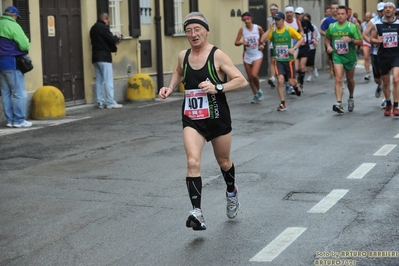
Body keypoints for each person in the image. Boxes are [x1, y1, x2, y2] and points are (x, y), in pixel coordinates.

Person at [158, 12, 248, 230]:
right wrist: (170, 87)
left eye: (197, 29)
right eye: (189, 30)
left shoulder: (217, 56)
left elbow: (241, 80)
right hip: (192, 118)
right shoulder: (183, 55)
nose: (193, 34)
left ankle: (231, 191)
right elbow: (179, 71)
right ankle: (197, 212)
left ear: (206, 31)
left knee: (224, 162)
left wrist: (218, 87)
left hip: (217, 117)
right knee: (192, 162)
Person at [261, 11, 303, 111]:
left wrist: (294, 48)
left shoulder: (289, 30)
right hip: (278, 60)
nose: (276, 22)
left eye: (278, 20)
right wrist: (270, 28)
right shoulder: (273, 31)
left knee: (291, 82)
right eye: (275, 20)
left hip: (289, 60)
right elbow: (262, 39)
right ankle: (283, 103)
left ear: (283, 20)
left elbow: (301, 38)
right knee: (280, 80)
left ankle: (296, 86)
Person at [325, 5, 362, 114]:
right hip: (337, 56)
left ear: (346, 15)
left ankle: (351, 97)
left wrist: (350, 40)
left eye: (342, 14)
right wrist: (328, 46)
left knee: (350, 80)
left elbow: (360, 42)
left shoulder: (352, 27)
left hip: (349, 57)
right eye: (338, 14)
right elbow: (327, 38)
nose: (340, 16)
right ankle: (339, 103)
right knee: (338, 79)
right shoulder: (332, 27)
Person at [0, 6, 32, 128]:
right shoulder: (13, 25)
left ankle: (9, 120)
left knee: (6, 93)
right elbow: (24, 44)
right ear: (14, 16)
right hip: (12, 62)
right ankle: (18, 120)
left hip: (1, 63)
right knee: (19, 92)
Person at [370, 2, 399, 116]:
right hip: (383, 56)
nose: (387, 9)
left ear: (394, 10)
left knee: (396, 80)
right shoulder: (377, 24)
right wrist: (377, 41)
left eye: (390, 8)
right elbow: (371, 39)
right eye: (385, 8)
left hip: (396, 55)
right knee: (386, 83)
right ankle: (388, 103)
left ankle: (396, 105)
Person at [90, 13, 123, 109]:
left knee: (99, 80)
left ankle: (100, 102)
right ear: (105, 19)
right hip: (104, 57)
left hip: (95, 57)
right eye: (108, 20)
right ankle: (110, 102)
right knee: (108, 80)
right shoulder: (103, 28)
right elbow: (111, 39)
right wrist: (117, 37)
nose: (109, 22)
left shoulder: (93, 29)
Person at [234, 12, 265, 103]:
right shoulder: (242, 30)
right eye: (244, 20)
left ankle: (259, 90)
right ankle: (255, 95)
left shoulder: (257, 28)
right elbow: (236, 42)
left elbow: (264, 37)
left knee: (254, 74)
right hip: (247, 55)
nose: (246, 21)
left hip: (257, 54)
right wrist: (242, 43)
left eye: (248, 19)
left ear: (251, 19)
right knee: (250, 78)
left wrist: (262, 44)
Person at [363, 2, 386, 108]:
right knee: (377, 78)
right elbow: (364, 35)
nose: (382, 12)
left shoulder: (392, 20)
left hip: (388, 53)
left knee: (385, 76)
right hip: (376, 52)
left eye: (384, 10)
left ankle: (385, 99)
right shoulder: (373, 21)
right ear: (377, 12)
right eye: (380, 11)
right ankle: (379, 85)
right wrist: (373, 41)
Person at [294, 7, 315, 90]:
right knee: (296, 68)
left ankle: (301, 83)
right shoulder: (293, 23)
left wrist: (314, 38)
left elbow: (312, 30)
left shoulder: (306, 22)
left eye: (299, 14)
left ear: (303, 14)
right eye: (296, 14)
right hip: (295, 47)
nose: (298, 15)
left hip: (304, 47)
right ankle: (293, 82)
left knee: (302, 67)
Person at [321, 2, 339, 78]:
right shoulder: (327, 20)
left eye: (336, 8)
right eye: (333, 8)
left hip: (343, 46)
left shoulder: (342, 19)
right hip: (332, 46)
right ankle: (338, 79)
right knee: (336, 63)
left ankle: (340, 77)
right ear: (331, 10)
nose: (335, 10)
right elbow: (321, 30)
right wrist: (328, 35)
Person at [304, 13, 321, 82]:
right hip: (305, 45)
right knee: (306, 61)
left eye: (307, 19)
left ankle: (314, 69)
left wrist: (316, 40)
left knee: (311, 60)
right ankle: (310, 75)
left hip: (311, 45)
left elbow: (318, 35)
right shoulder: (301, 26)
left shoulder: (313, 26)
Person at [267, 3, 279, 88]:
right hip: (272, 42)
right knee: (272, 60)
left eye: (274, 9)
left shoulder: (281, 19)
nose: (272, 11)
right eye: (271, 10)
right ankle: (272, 77)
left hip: (281, 41)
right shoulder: (268, 19)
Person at [361, 12, 372, 81]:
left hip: (373, 42)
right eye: (366, 17)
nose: (367, 19)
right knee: (366, 57)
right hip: (365, 42)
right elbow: (361, 32)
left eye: (369, 17)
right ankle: (367, 73)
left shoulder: (374, 23)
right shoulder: (363, 24)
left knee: (374, 58)